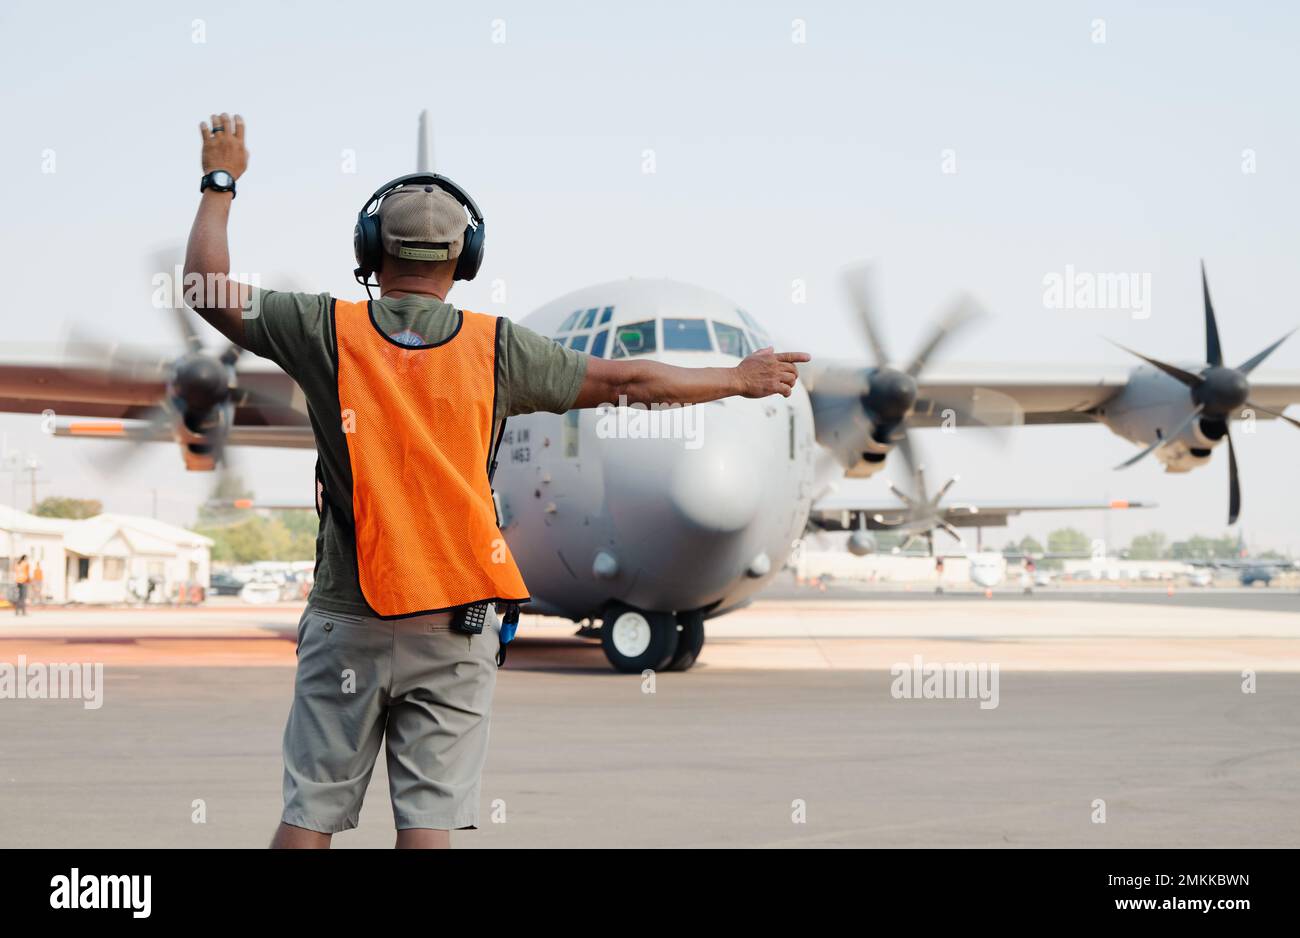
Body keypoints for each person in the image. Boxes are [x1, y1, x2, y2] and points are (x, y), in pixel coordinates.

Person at [183, 112, 809, 849]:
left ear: (369, 251)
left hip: (348, 617)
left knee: (310, 813)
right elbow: (630, 381)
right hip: (455, 623)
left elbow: (208, 290)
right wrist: (736, 379)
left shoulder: (324, 330)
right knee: (429, 822)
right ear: (465, 257)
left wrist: (220, 179)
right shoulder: (499, 350)